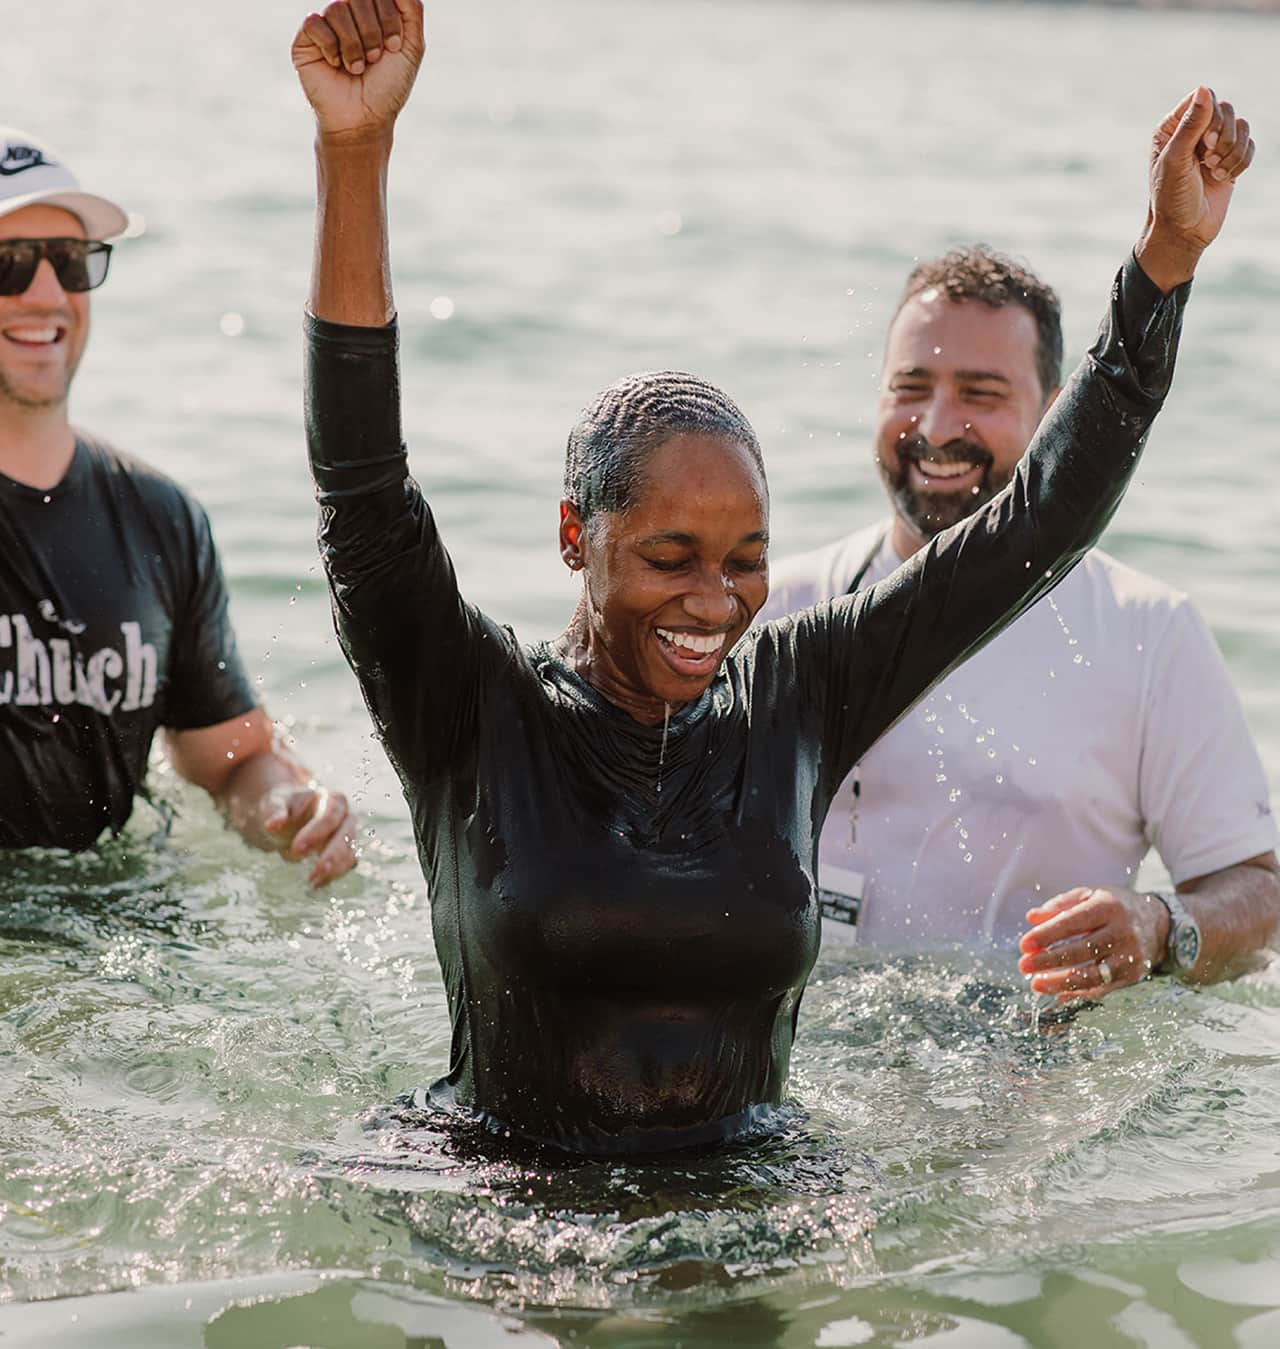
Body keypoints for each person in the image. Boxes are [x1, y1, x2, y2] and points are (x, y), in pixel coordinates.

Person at [293, 0, 1251, 1152]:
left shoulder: (798, 690)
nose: (715, 601)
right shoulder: (466, 703)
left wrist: (1161, 265)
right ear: (571, 537)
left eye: (746, 559)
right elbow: (360, 483)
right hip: (506, 1211)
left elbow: (1034, 522)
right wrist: (355, 154)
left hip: (756, 1206)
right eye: (668, 557)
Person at [762, 230, 1279, 1001]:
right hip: (816, 1052)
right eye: (910, 386)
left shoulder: (1147, 631)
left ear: (1055, 414)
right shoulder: (782, 608)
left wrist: (1158, 925)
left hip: (1032, 1071)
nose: (936, 426)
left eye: (980, 393)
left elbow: (1258, 890)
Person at [0, 127, 357, 887]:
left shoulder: (162, 519)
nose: (45, 294)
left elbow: (230, 761)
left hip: (124, 927)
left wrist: (287, 806)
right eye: (8, 266)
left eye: (69, 263)